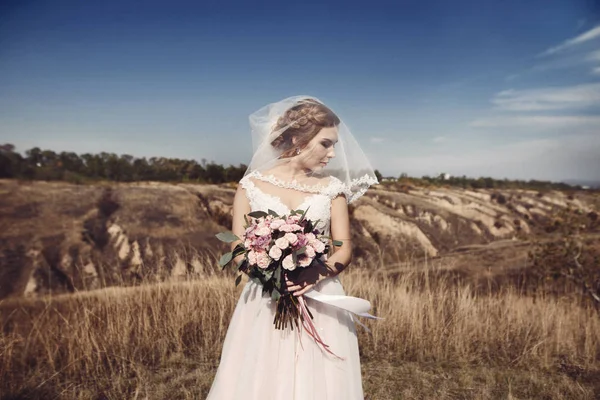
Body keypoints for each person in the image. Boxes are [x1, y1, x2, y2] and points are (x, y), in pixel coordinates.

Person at [206, 96, 378, 400]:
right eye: (326, 143)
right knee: (263, 378)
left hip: (321, 296)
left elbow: (344, 249)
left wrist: (315, 276)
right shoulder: (250, 186)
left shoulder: (332, 190)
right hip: (265, 298)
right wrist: (265, 273)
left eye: (334, 144)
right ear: (299, 138)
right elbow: (236, 243)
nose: (333, 153)